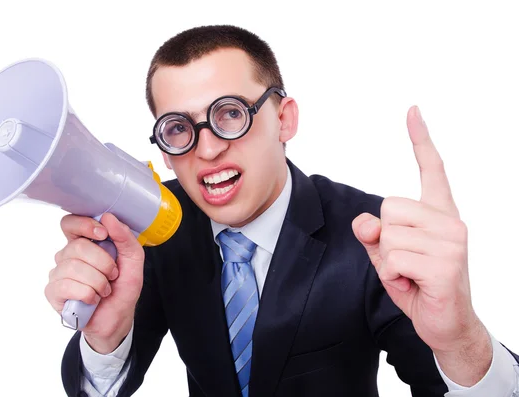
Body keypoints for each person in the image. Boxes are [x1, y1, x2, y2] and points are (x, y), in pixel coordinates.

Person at [46, 25, 519, 397]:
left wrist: (461, 342)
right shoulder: (152, 228)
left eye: (230, 113)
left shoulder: (374, 237)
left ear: (284, 119)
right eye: (178, 128)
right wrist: (103, 342)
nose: (206, 150)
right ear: (166, 151)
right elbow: (99, 389)